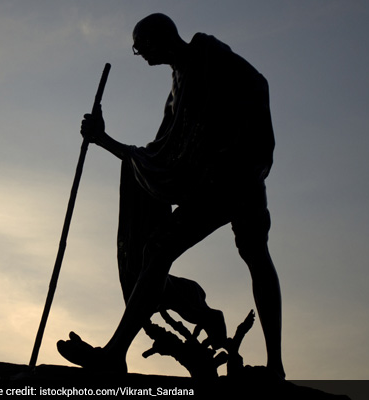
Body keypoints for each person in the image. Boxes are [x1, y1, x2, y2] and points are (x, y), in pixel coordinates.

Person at [57, 13, 284, 378]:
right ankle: (118, 352)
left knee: (250, 254)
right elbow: (160, 156)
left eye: (140, 46)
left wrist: (243, 152)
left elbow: (257, 85)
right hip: (213, 184)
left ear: (158, 38)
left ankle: (274, 366)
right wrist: (104, 140)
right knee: (166, 251)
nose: (139, 54)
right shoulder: (176, 90)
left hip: (236, 176)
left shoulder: (208, 55)